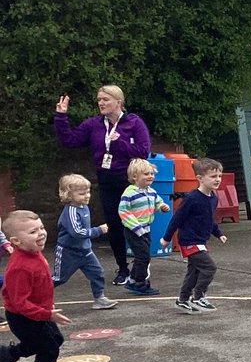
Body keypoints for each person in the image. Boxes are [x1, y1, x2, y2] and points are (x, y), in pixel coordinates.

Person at [53, 86, 151, 285]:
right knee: (114, 225)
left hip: (130, 181)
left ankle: (142, 263)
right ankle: (122, 268)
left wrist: (119, 142)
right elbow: (69, 140)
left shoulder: (134, 123)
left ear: (118, 101)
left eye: (106, 99)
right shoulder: (94, 124)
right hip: (107, 180)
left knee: (135, 224)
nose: (101, 103)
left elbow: (143, 151)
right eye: (99, 99)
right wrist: (61, 116)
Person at [1, 210, 72, 362]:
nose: (41, 233)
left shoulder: (34, 252)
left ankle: (9, 354)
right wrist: (47, 314)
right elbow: (20, 303)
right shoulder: (20, 267)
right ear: (16, 241)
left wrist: (47, 308)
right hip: (23, 317)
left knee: (55, 340)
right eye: (32, 232)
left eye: (41, 228)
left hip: (40, 312)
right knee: (49, 349)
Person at [161, 158, 226, 314]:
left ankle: (182, 300)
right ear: (199, 178)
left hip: (201, 241)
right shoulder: (191, 198)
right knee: (209, 267)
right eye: (213, 176)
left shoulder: (213, 198)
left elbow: (209, 219)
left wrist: (218, 234)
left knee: (194, 271)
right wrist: (167, 238)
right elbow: (177, 219)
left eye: (219, 176)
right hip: (189, 240)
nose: (217, 179)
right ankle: (198, 297)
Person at [52, 174, 118, 310]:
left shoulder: (84, 207)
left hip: (85, 250)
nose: (87, 196)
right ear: (69, 195)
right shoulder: (70, 211)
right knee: (59, 278)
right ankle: (38, 297)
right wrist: (98, 230)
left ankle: (99, 299)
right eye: (82, 193)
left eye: (88, 192)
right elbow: (77, 232)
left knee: (97, 272)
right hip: (68, 251)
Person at [118, 157, 170, 296]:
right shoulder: (129, 193)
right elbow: (123, 212)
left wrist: (162, 206)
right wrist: (136, 228)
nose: (150, 176)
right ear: (135, 176)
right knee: (143, 257)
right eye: (146, 174)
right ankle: (140, 283)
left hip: (146, 229)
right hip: (133, 230)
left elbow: (157, 202)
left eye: (152, 173)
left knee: (143, 256)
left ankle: (133, 280)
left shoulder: (151, 191)